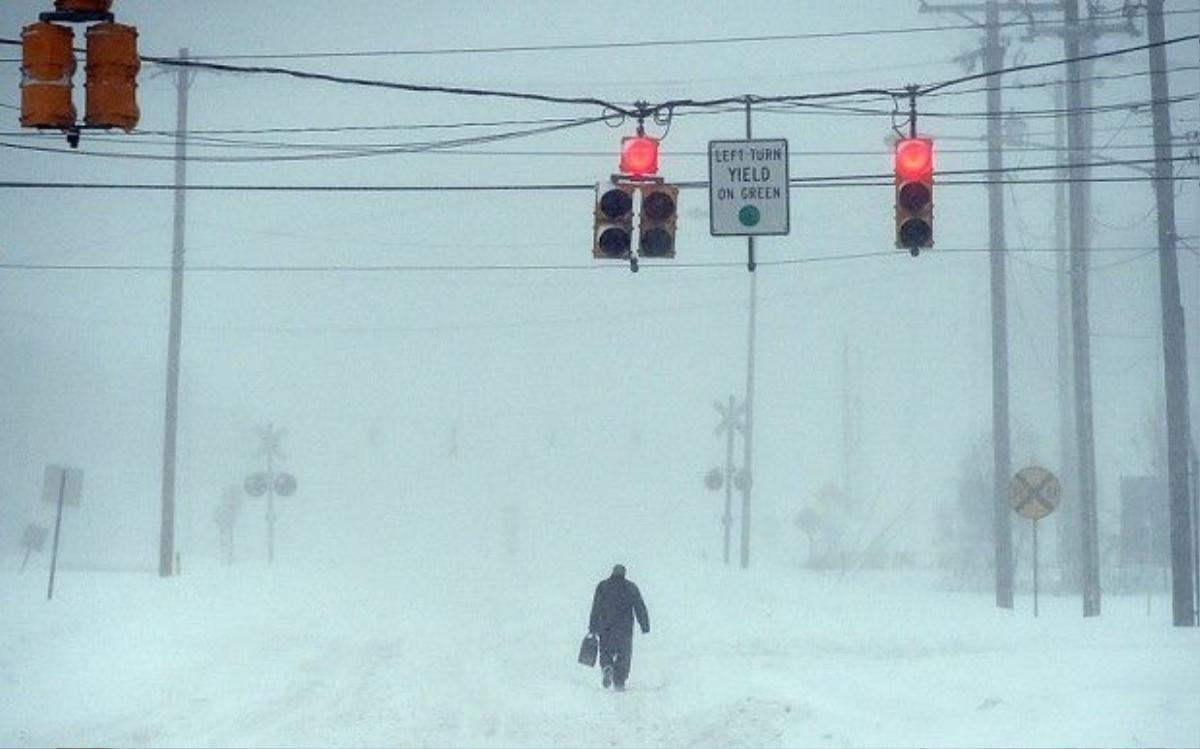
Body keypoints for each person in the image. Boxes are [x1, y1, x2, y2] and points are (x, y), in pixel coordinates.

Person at [587, 564, 649, 691]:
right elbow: (639, 607)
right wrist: (644, 625)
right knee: (624, 654)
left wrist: (593, 627)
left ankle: (607, 667)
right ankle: (620, 680)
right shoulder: (631, 587)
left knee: (605, 650)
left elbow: (596, 607)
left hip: (605, 626)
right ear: (624, 574)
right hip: (624, 628)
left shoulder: (603, 586)